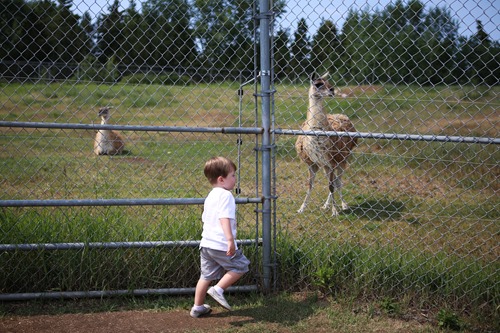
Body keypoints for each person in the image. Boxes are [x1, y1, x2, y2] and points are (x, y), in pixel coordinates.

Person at [190, 156, 250, 318]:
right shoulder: (226, 196)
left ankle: (198, 307)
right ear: (221, 179)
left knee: (206, 276)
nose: (235, 179)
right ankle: (218, 289)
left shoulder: (211, 195)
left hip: (207, 244)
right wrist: (230, 240)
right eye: (233, 175)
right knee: (241, 266)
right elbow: (225, 218)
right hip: (221, 244)